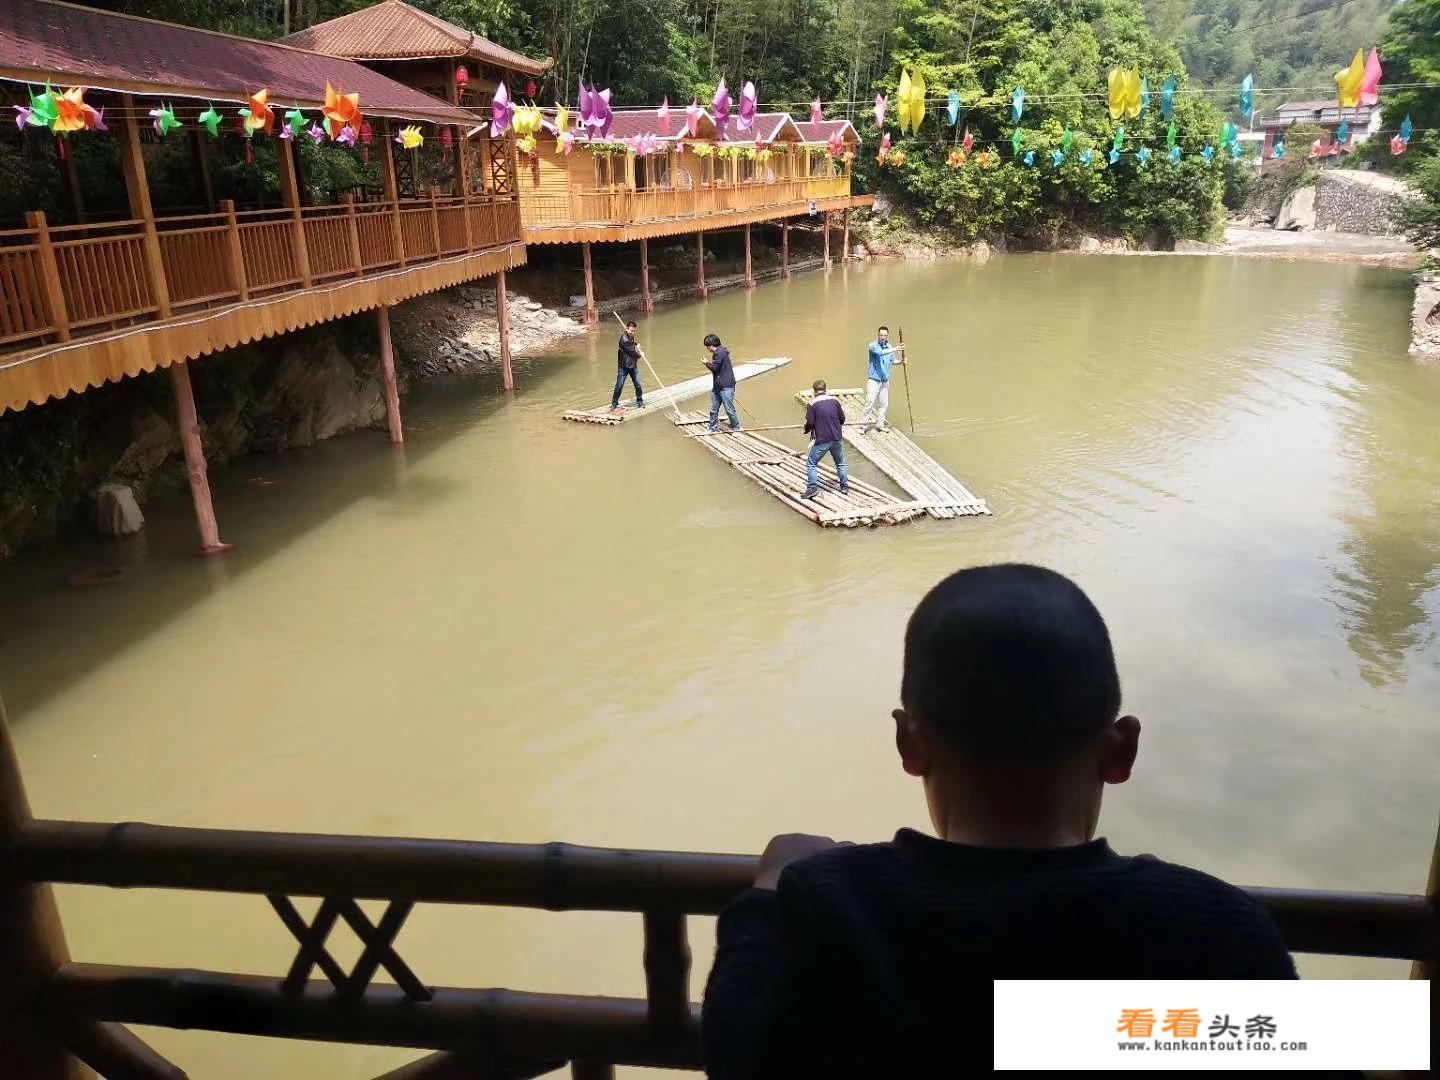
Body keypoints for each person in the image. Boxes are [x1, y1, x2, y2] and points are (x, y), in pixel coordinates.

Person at [702, 564, 1297, 1080]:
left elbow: (738, 1056)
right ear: (1120, 752)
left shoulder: (832, 906)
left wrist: (771, 889)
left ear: (910, 744)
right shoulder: (1215, 932)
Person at [802, 379, 849, 499]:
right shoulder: (835, 401)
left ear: (814, 391)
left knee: (811, 463)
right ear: (825, 390)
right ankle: (844, 487)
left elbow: (810, 422)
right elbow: (842, 419)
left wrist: (806, 430)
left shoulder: (812, 404)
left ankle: (812, 488)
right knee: (840, 463)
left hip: (822, 439)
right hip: (836, 438)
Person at [858, 324, 904, 433]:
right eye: (881, 335)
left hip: (885, 381)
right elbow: (880, 353)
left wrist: (901, 362)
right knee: (869, 401)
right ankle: (862, 426)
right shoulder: (873, 346)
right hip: (874, 380)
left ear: (887, 336)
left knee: (884, 403)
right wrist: (897, 348)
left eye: (885, 335)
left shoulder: (889, 347)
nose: (883, 337)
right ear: (878, 335)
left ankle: (880, 424)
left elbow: (893, 361)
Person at [703, 333, 740, 433]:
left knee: (729, 409)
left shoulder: (720, 353)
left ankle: (736, 427)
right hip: (718, 386)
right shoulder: (720, 352)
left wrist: (706, 363)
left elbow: (715, 368)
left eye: (707, 346)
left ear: (711, 345)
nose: (707, 349)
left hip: (726, 386)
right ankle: (713, 427)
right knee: (714, 408)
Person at [611, 320, 645, 411]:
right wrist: (640, 354)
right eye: (631, 331)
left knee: (638, 384)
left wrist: (636, 344)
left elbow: (632, 344)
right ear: (626, 329)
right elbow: (632, 352)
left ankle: (640, 400)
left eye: (634, 331)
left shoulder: (630, 337)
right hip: (624, 367)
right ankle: (614, 403)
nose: (633, 332)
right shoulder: (624, 340)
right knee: (619, 385)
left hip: (633, 365)